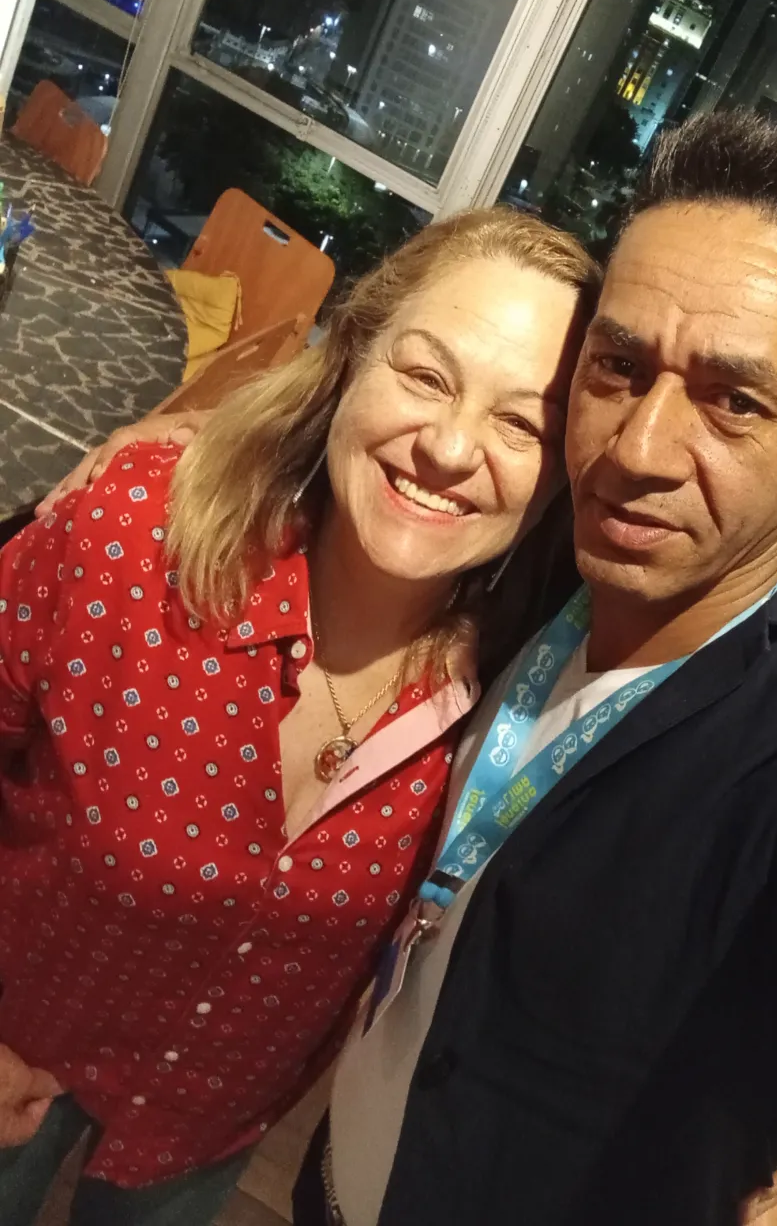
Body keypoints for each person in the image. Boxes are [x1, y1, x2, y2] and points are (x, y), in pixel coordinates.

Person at [42, 111, 777, 1226]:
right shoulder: (564, 544)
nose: (637, 450)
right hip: (339, 1176)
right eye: (619, 366)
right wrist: (203, 452)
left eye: (735, 401)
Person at [0, 206, 600, 1225]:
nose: (452, 447)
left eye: (523, 424)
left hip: (208, 1123)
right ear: (353, 357)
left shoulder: (529, 695)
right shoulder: (134, 532)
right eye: (426, 376)